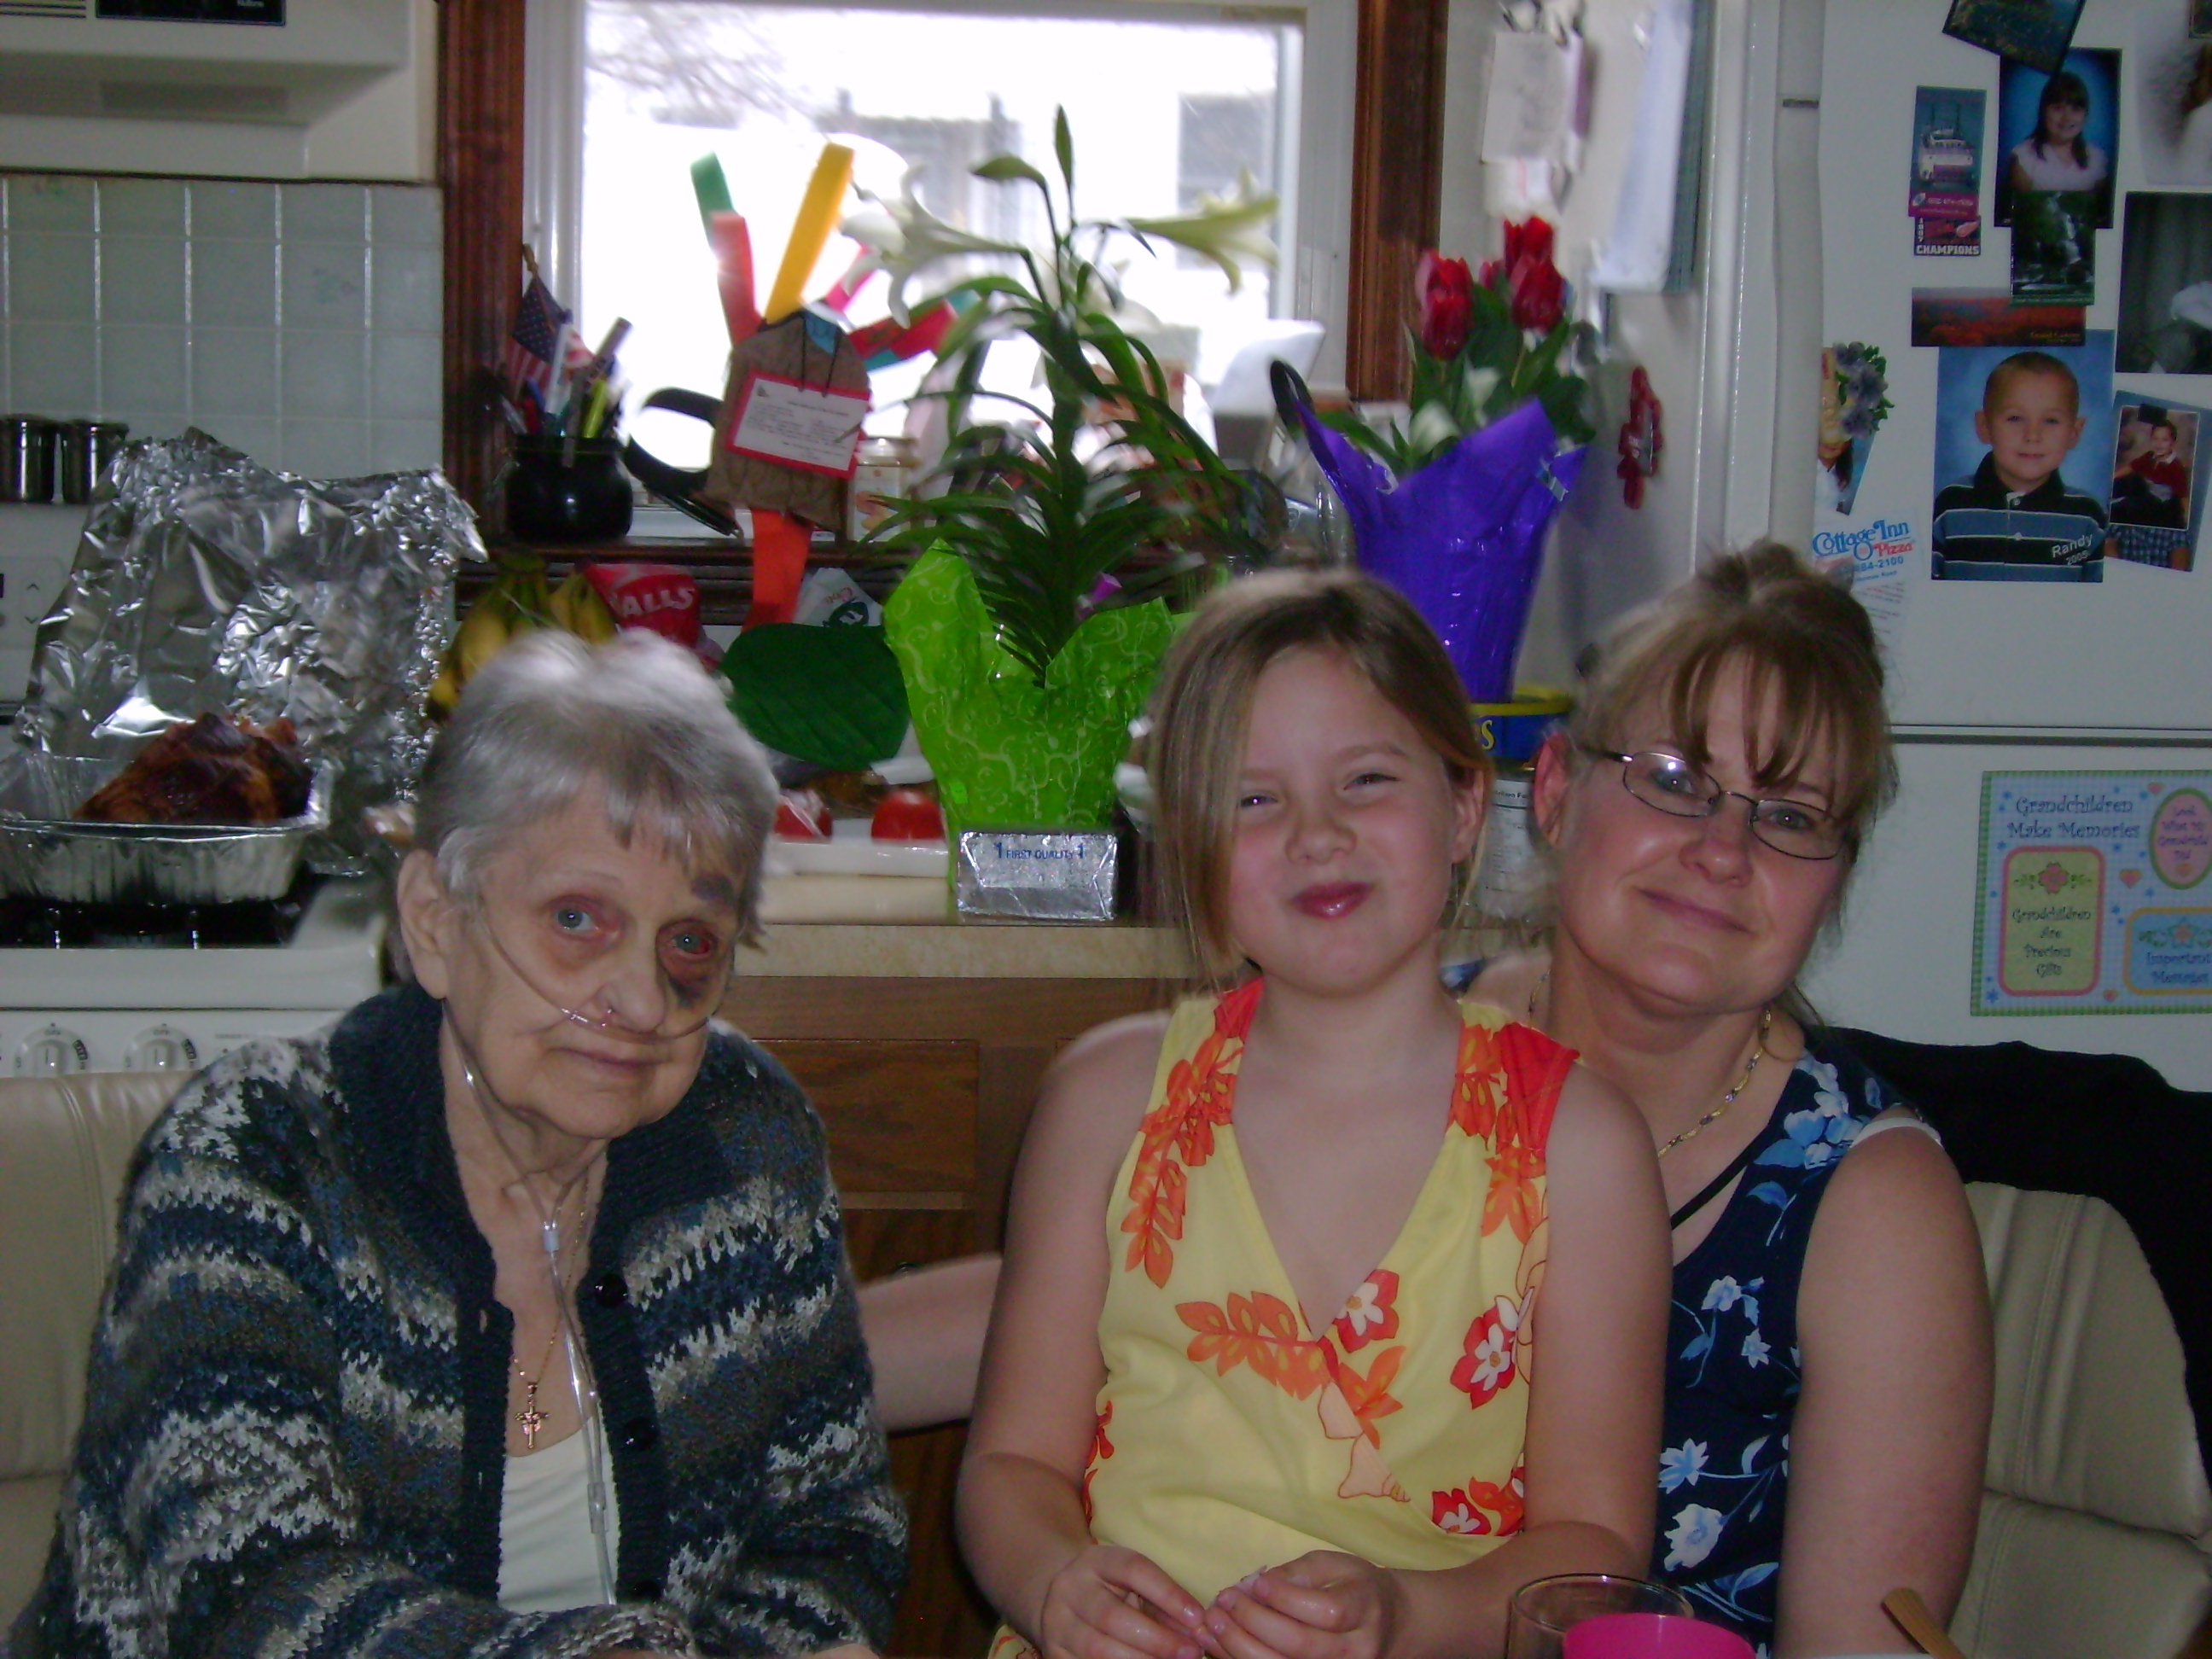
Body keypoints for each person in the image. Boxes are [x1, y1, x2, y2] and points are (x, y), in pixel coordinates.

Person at [9, 632, 905, 1659]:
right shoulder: (257, 1155)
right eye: (579, 918)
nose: (644, 998)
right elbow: (247, 1592)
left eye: (690, 942)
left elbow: (832, 1526)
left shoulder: (750, 1139)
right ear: (435, 920)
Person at [955, 571, 1672, 1659]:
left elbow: (1595, 1552)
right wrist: (1057, 1582)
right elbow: (1010, 1470)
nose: (1316, 834)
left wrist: (1405, 1616)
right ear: (1195, 844)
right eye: (1254, 800)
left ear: (1467, 805)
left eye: (1367, 779)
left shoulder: (1581, 1146)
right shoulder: (1107, 1100)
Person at [1461, 544, 1991, 1651]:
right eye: (1674, 778)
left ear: (1835, 877)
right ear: (1555, 788)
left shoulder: (1870, 1202)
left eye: (1790, 816)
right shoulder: (1397, 1053)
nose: (1723, 849)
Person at [1930, 350, 2109, 580]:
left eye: (2051, 420)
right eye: (2015, 418)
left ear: (2074, 433)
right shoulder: (1950, 505)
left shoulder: (2090, 516)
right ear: (1984, 426)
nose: (2032, 435)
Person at [2002, 70, 2110, 201]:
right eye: (2058, 108)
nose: (2067, 118)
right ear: (2043, 112)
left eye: (2075, 110)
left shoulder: (2097, 159)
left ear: (2085, 115)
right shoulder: (2024, 158)